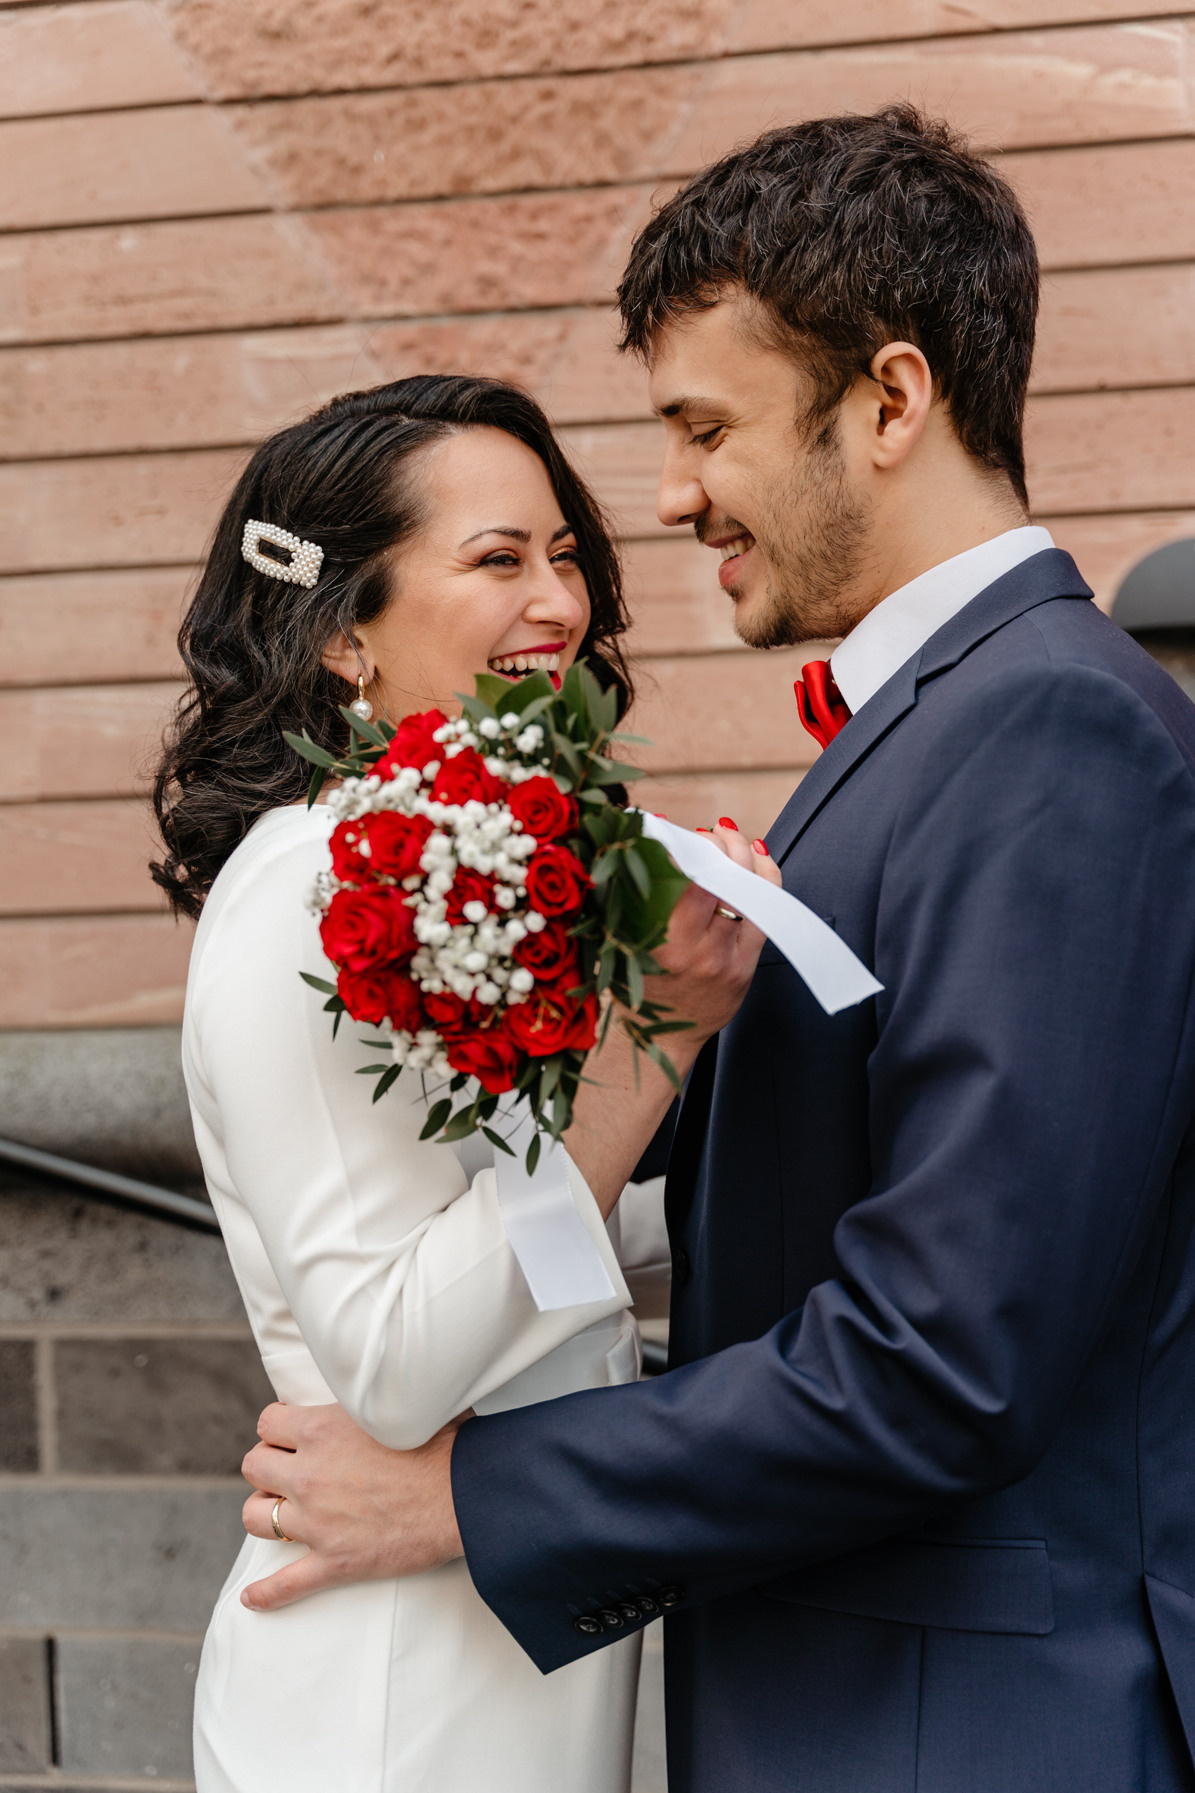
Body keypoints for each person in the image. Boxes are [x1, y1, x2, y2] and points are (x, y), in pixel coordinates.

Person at [239, 108, 1195, 1790]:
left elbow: (944, 1355)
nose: (668, 497)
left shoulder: (1054, 735)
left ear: (891, 401)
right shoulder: (926, 731)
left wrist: (467, 1491)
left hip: (962, 1731)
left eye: (704, 427)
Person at [153, 373, 776, 1793]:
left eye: (564, 555)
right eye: (497, 559)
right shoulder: (316, 889)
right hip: (389, 1701)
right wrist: (660, 1044)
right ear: (340, 634)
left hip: (498, 1649)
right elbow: (394, 1358)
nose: (557, 602)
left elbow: (518, 1228)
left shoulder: (447, 867)